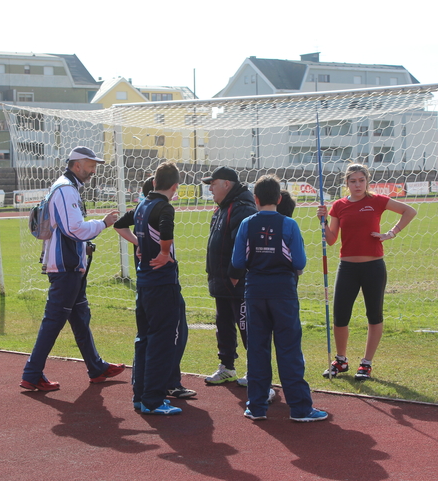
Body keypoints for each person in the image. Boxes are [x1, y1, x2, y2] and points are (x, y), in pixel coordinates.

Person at [20, 146, 125, 392]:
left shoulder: (66, 186)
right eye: (90, 165)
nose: (93, 170)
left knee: (80, 318)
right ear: (77, 164)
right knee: (54, 320)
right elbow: (74, 229)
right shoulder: (66, 189)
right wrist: (103, 223)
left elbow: (68, 230)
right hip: (65, 267)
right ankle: (32, 373)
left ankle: (96, 367)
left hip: (69, 265)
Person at [231, 175, 329, 422]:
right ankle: (300, 408)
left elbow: (237, 262)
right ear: (278, 198)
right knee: (289, 349)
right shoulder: (289, 224)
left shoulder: (246, 224)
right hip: (283, 293)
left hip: (254, 291)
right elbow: (299, 262)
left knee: (257, 349)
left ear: (255, 199)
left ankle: (256, 407)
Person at [317, 163, 417, 381]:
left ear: (367, 181)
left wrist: (391, 233)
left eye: (361, 180)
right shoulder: (339, 206)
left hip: (373, 267)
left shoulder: (377, 201)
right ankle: (341, 361)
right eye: (353, 181)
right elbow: (332, 240)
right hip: (348, 267)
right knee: (340, 317)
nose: (357, 185)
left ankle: (366, 363)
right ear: (347, 183)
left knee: (374, 315)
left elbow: (410, 211)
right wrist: (322, 222)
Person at [114, 162, 188, 415]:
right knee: (161, 341)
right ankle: (153, 400)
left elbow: (118, 225)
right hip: (161, 282)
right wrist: (165, 252)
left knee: (144, 339)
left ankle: (141, 395)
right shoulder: (164, 206)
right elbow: (167, 228)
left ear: (154, 182)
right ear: (175, 187)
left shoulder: (142, 206)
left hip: (143, 283)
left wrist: (139, 243)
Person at [201, 166, 257, 387]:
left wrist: (235, 275)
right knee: (223, 324)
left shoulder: (242, 209)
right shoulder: (223, 208)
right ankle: (227, 368)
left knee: (246, 327)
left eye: (213, 184)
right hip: (221, 282)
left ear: (226, 184)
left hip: (237, 283)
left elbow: (245, 246)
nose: (210, 189)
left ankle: (256, 370)